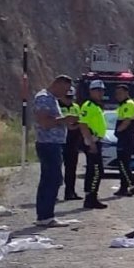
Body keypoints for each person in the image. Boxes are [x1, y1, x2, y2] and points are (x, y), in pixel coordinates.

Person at [33, 75, 76, 227]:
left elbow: (53, 121)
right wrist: (64, 120)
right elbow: (44, 122)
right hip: (47, 144)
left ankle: (46, 215)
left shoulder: (52, 99)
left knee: (52, 179)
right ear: (57, 84)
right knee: (51, 179)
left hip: (54, 144)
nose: (65, 93)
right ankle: (45, 216)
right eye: (64, 89)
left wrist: (67, 123)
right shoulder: (44, 98)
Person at [78, 80, 110, 210]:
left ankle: (91, 196)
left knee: (93, 170)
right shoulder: (88, 106)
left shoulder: (97, 105)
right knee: (97, 170)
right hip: (91, 140)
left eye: (102, 90)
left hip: (96, 140)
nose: (100, 93)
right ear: (91, 91)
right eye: (97, 90)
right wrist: (90, 142)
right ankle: (91, 197)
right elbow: (83, 124)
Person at [113, 84, 134, 197]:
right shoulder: (121, 105)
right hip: (123, 138)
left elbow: (127, 121)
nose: (117, 96)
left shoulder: (129, 104)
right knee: (122, 164)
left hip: (127, 139)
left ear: (126, 93)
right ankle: (124, 187)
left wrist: (118, 131)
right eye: (116, 93)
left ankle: (133, 185)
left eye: (120, 93)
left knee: (123, 164)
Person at [59, 86, 83, 201]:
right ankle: (52, 193)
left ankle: (70, 192)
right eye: (67, 97)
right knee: (55, 170)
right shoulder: (57, 106)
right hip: (60, 141)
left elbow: (80, 121)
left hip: (73, 142)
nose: (69, 100)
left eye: (71, 97)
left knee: (71, 169)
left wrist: (75, 125)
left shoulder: (76, 107)